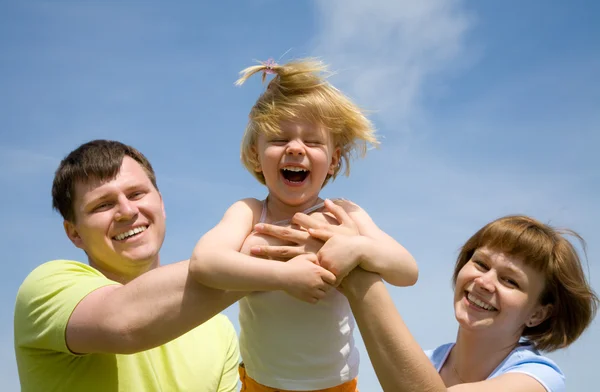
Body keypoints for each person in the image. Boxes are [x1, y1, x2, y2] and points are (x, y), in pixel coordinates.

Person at [189, 58, 419, 392]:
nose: (296, 148)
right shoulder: (249, 213)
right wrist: (284, 277)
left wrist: (358, 247)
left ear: (334, 159)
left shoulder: (345, 214)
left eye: (312, 142)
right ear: (256, 153)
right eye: (279, 139)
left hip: (336, 386)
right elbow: (204, 263)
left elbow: (407, 271)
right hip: (261, 384)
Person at [14, 140, 243, 392]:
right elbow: (123, 324)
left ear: (161, 203)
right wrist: (264, 262)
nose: (127, 210)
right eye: (103, 204)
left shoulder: (218, 330)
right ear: (74, 233)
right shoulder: (45, 286)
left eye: (136, 194)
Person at [334, 215, 598, 391]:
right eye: (481, 264)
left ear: (538, 314)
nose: (484, 282)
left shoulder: (538, 380)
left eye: (510, 281)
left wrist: (360, 280)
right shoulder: (426, 362)